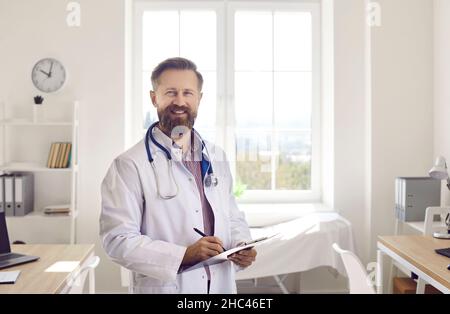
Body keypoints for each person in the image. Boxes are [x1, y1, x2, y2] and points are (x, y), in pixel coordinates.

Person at [100, 57, 257, 294]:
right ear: (154, 98)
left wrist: (241, 245)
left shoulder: (216, 156)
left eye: (188, 93)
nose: (180, 101)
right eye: (171, 92)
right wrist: (183, 255)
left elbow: (232, 216)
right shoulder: (129, 165)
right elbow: (118, 240)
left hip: (220, 286)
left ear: (199, 99)